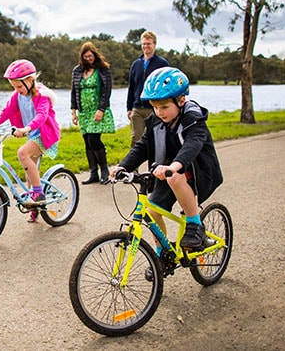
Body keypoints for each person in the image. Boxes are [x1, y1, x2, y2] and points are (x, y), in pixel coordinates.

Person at [110, 67, 223, 250]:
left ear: (181, 100)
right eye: (155, 107)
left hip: (199, 172)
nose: (159, 112)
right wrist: (123, 166)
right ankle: (161, 253)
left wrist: (175, 165)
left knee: (174, 175)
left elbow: (191, 145)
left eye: (164, 107)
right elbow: (142, 146)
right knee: (152, 211)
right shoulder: (156, 120)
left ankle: (195, 226)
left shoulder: (194, 120)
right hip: (169, 173)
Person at [0, 59, 60, 223]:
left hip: (45, 134)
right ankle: (35, 207)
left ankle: (38, 193)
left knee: (22, 153)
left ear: (30, 81)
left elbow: (42, 115)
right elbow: (5, 113)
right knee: (28, 173)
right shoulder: (17, 96)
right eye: (14, 87)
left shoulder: (42, 96)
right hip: (32, 134)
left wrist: (26, 128)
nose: (17, 90)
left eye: (19, 86)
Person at [71, 41, 115, 184]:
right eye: (85, 56)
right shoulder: (77, 71)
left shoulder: (103, 69)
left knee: (94, 139)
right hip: (84, 112)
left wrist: (101, 109)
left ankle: (104, 170)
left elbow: (106, 91)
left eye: (90, 56)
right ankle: (93, 173)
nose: (88, 59)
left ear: (94, 55)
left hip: (97, 110)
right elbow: (73, 91)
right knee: (87, 142)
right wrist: (73, 111)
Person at [126, 30, 169, 148]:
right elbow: (132, 87)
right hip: (137, 107)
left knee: (156, 139)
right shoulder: (136, 64)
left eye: (148, 44)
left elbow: (167, 86)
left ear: (154, 44)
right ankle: (131, 167)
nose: (146, 46)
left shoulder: (162, 64)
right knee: (136, 139)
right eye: (144, 44)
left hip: (154, 107)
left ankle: (156, 165)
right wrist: (129, 107)